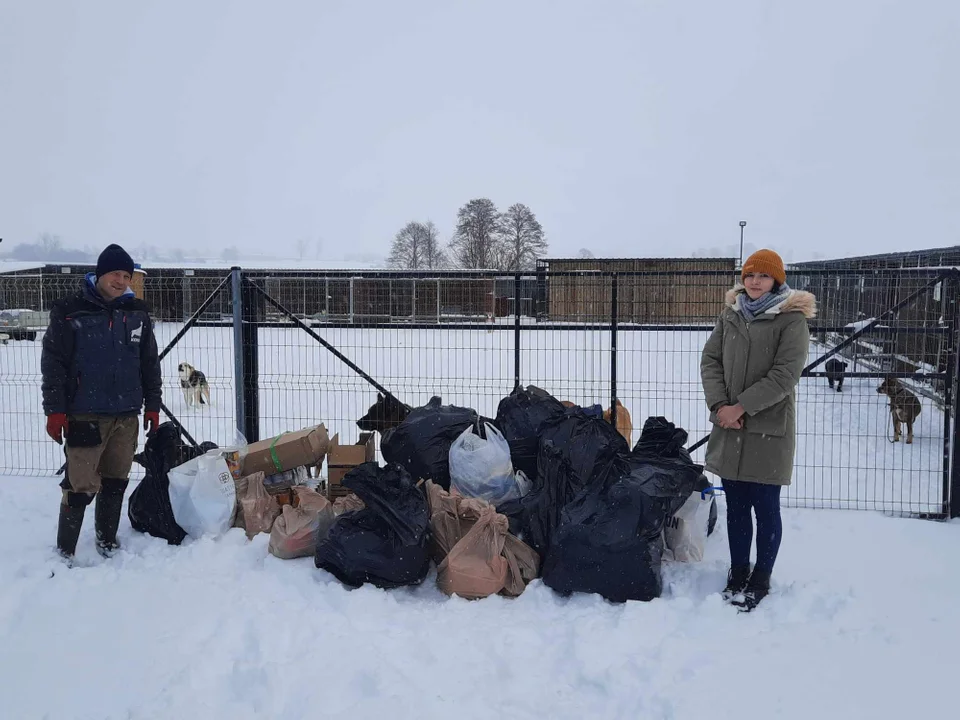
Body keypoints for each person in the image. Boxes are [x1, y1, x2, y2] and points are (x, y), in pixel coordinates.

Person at [700, 249, 816, 611]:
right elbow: (711, 361)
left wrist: (741, 407)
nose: (754, 282)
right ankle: (737, 572)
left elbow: (785, 375)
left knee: (765, 508)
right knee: (736, 508)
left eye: (762, 276)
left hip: (768, 428)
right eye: (749, 275)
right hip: (729, 425)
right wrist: (720, 406)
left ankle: (761, 576)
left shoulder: (791, 320)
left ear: (776, 281)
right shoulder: (730, 315)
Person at [41, 244, 162, 562]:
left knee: (116, 480)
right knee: (79, 485)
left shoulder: (137, 313)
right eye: (116, 274)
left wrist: (152, 404)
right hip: (85, 414)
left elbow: (149, 362)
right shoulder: (70, 310)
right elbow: (53, 363)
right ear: (100, 273)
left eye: (127, 275)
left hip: (126, 415)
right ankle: (65, 550)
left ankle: (106, 540)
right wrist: (54, 410)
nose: (121, 281)